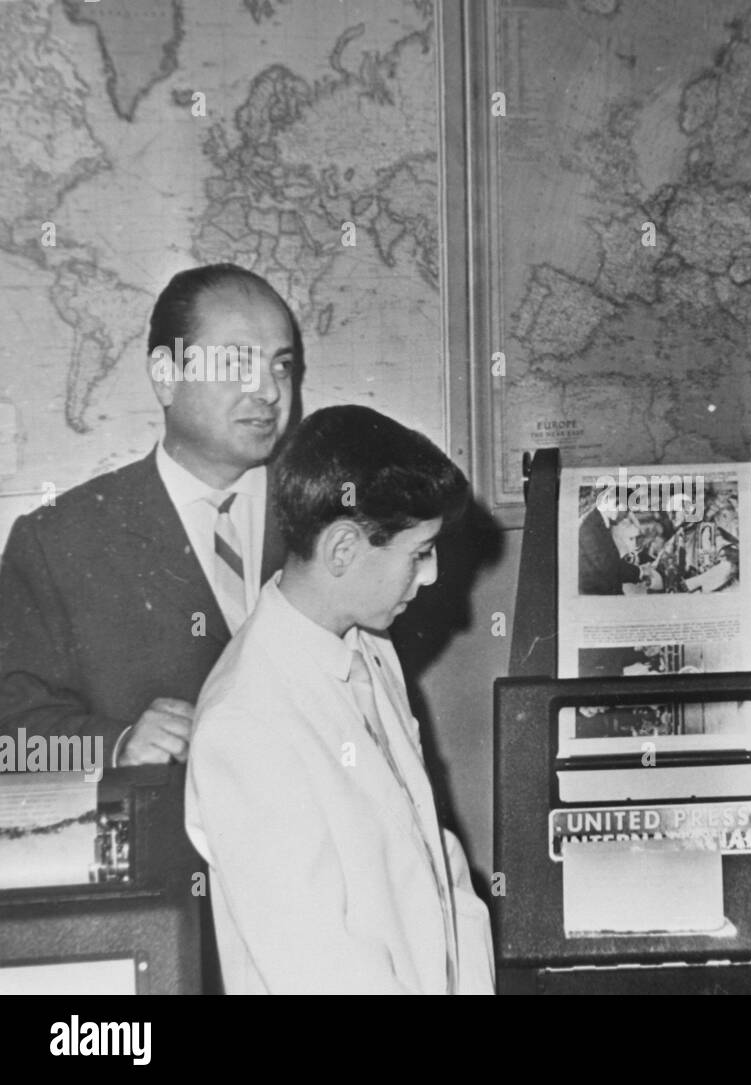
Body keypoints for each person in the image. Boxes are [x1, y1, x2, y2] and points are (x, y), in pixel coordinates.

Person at [185, 404, 495, 994]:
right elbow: (321, 971)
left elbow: (436, 862)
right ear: (344, 550)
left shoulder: (369, 650)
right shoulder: (246, 725)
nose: (429, 577)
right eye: (418, 552)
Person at [0, 264, 296, 766]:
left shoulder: (329, 514)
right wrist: (118, 745)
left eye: (281, 366)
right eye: (237, 363)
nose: (269, 390)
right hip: (159, 836)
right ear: (166, 376)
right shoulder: (57, 541)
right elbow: (12, 738)